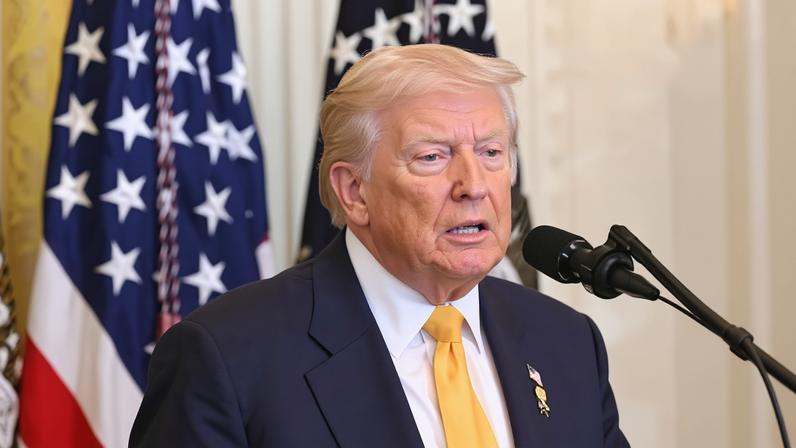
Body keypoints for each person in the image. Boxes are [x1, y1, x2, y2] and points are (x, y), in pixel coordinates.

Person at [130, 44, 630, 447]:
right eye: (433, 156)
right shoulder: (229, 358)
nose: (474, 185)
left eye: (491, 152)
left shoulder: (566, 342)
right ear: (354, 192)